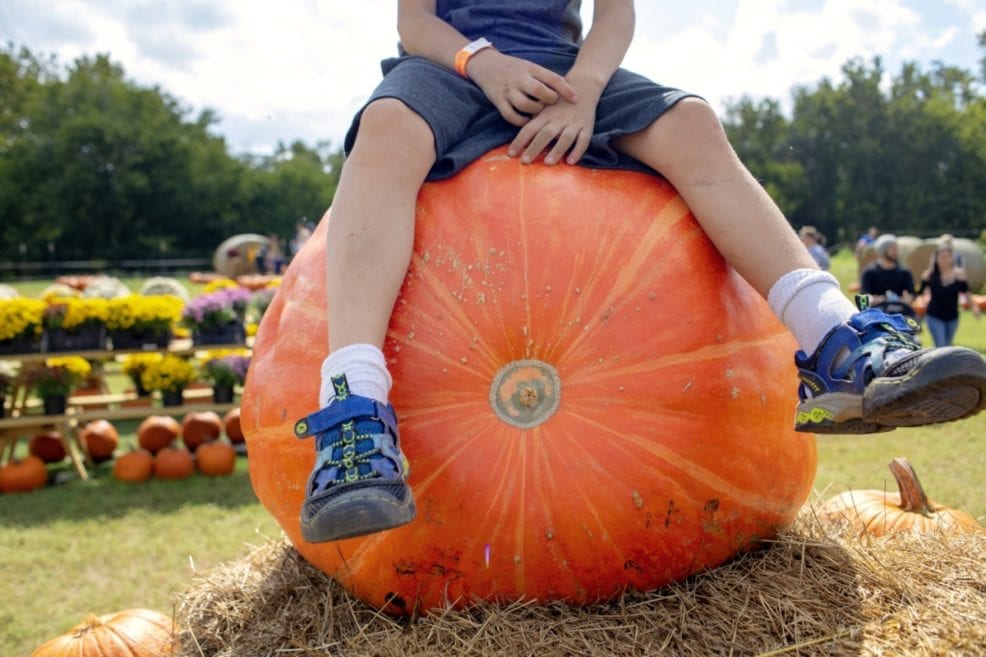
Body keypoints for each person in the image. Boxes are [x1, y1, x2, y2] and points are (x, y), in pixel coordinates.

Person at [291, 0, 986, 543]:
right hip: (453, 69)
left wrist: (586, 90)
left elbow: (615, 14)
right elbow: (414, 23)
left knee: (692, 122)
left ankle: (837, 343)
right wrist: (484, 64)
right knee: (385, 127)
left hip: (568, 71)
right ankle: (355, 406)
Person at [918, 243, 980, 346]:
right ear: (936, 259)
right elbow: (919, 293)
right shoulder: (929, 275)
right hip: (934, 315)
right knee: (940, 345)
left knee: (947, 346)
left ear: (952, 258)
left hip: (952, 316)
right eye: (942, 257)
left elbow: (966, 292)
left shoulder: (959, 274)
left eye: (947, 256)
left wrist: (974, 307)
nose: (944, 259)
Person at [859, 234, 916, 316]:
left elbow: (911, 294)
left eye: (896, 248)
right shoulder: (869, 272)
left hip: (900, 312)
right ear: (883, 251)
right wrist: (876, 299)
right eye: (892, 248)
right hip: (878, 313)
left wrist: (905, 300)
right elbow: (865, 296)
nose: (896, 251)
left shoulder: (904, 272)